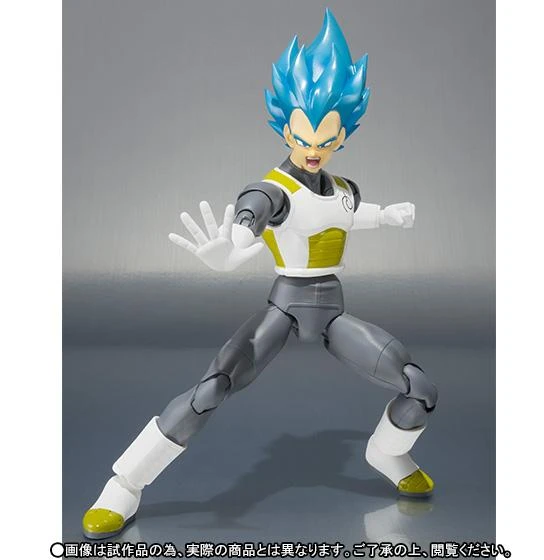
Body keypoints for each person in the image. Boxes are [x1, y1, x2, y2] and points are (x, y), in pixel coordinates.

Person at [82, 9, 437, 540]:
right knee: (212, 388)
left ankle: (388, 455)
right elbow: (255, 216)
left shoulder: (343, 188)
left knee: (418, 387)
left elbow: (346, 214)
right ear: (285, 128)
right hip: (285, 307)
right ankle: (125, 483)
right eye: (303, 138)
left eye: (326, 140)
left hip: (332, 310)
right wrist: (234, 247)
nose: (313, 150)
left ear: (343, 134)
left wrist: (386, 215)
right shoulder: (272, 189)